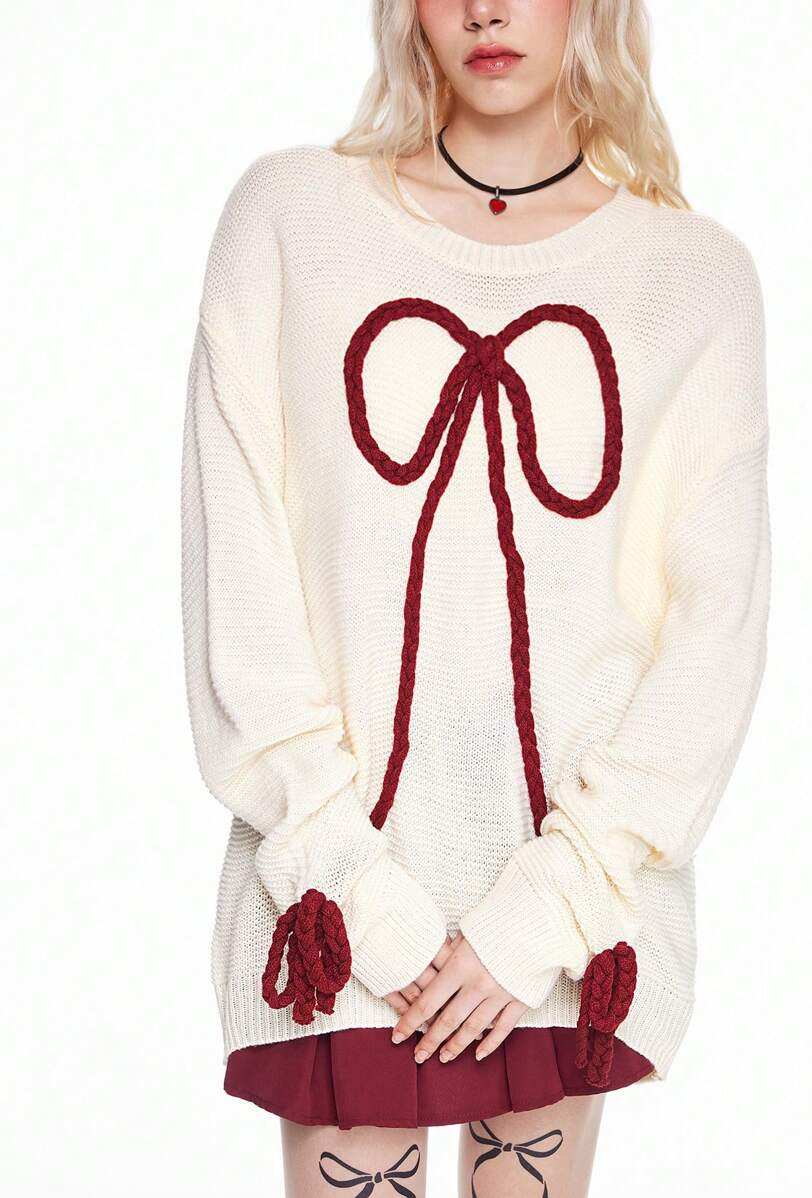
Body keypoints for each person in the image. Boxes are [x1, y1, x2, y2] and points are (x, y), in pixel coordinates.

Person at [179, 2, 771, 1194]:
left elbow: (716, 641)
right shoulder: (293, 222)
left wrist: (540, 914)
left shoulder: (691, 279)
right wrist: (365, 902)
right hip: (329, 908)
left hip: (565, 923)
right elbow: (239, 598)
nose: (485, 9)